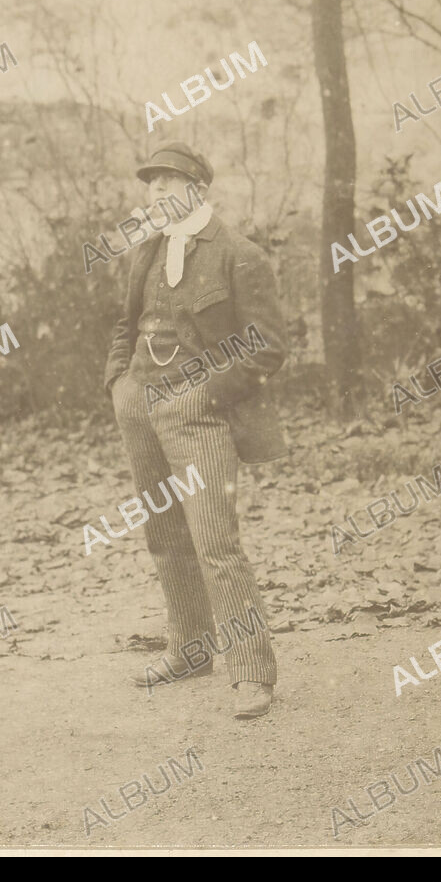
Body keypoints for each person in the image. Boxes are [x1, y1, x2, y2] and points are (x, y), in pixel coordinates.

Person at [104, 141, 288, 719]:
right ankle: (188, 650)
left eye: (168, 185)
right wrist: (118, 384)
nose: (155, 195)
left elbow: (268, 347)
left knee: (216, 541)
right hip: (139, 406)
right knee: (163, 533)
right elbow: (125, 324)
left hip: (200, 413)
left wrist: (203, 392)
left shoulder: (241, 255)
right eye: (149, 186)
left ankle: (253, 671)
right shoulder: (145, 251)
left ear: (199, 191)